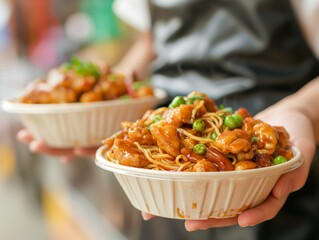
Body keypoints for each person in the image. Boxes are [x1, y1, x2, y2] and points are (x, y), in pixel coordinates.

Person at [17, 0, 319, 239]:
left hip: (270, 169)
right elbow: (153, 37)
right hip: (162, 183)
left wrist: (304, 110)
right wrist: (115, 98)